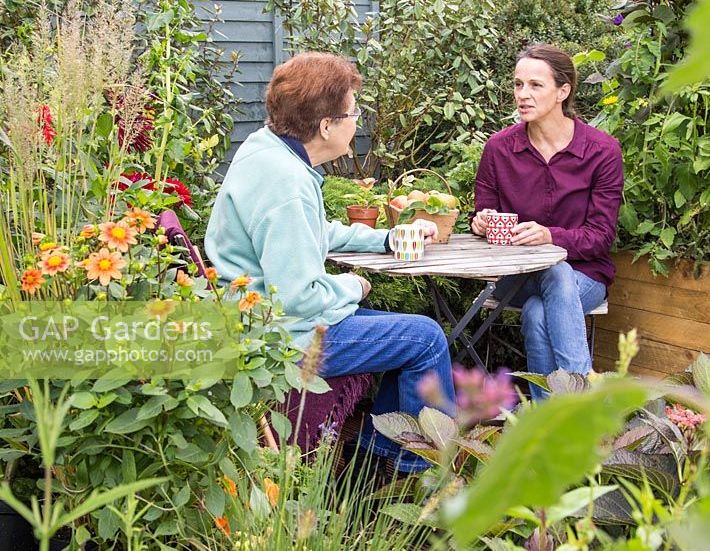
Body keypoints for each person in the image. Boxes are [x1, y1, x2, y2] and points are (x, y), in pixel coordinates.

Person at [205, 51, 455, 473]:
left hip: (256, 318)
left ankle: (381, 455)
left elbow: (314, 230)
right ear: (326, 126)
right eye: (353, 111)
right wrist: (355, 286)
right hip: (280, 341)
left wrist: (387, 238)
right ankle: (416, 471)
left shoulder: (264, 150)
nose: (357, 119)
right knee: (425, 338)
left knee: (405, 334)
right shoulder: (287, 185)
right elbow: (301, 298)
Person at [471, 44, 623, 399]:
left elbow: (600, 237)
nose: (523, 95)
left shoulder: (601, 151)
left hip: (586, 275)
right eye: (517, 84)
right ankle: (583, 402)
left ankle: (547, 416)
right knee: (553, 275)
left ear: (563, 91)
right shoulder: (498, 148)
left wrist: (548, 237)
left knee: (543, 305)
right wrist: (481, 223)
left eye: (535, 86)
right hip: (518, 276)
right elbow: (484, 211)